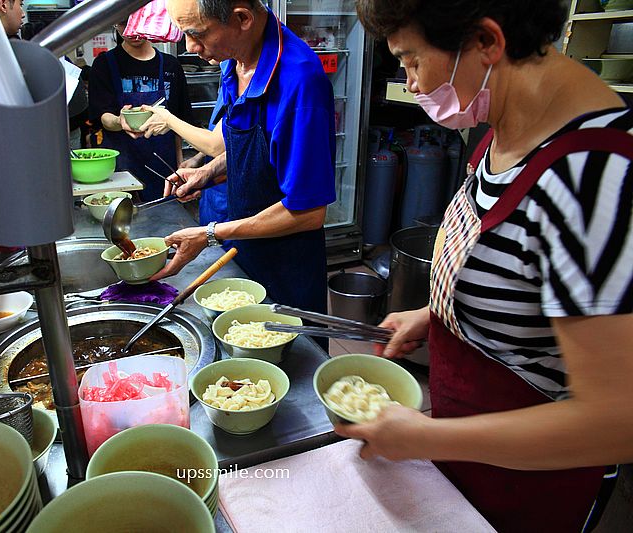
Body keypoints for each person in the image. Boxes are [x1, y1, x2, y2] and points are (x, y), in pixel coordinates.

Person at [336, 1, 633, 531]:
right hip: (468, 453)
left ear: (487, 42)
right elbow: (526, 281)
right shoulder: (505, 124)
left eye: (410, 60)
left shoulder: (596, 177)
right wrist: (435, 313)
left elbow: (616, 420)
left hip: (530, 486)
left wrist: (425, 437)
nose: (409, 81)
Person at [147, 0, 337, 318]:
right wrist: (206, 171)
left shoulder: (299, 82)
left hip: (287, 267)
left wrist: (210, 233)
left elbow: (308, 212)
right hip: (244, 249)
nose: (190, 47)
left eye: (197, 34)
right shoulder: (233, 61)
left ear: (242, 18)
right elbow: (255, 148)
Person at [87, 22, 195, 201]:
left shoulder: (171, 65)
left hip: (162, 168)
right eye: (124, 22)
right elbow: (103, 117)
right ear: (114, 22)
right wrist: (119, 121)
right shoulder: (104, 63)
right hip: (120, 170)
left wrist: (179, 165)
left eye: (138, 21)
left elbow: (178, 121)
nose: (132, 29)